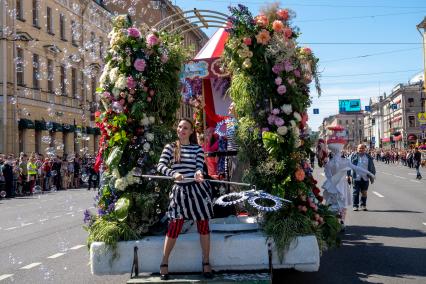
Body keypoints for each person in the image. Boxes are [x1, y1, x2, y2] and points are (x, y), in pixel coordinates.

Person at [157, 119, 214, 280]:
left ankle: (206, 261)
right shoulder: (171, 148)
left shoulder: (197, 148)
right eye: (180, 127)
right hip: (179, 191)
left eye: (185, 128)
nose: (181, 129)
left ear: (191, 132)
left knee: (203, 224)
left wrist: (198, 174)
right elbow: (160, 166)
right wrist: (173, 174)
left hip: (197, 190)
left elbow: (198, 167)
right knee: (174, 226)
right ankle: (164, 262)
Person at [348, 144, 376, 211]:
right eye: (360, 148)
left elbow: (372, 167)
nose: (361, 149)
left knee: (364, 192)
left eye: (362, 148)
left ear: (365, 149)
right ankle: (355, 205)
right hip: (356, 177)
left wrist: (372, 175)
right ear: (357, 149)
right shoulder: (352, 156)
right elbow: (348, 166)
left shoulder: (368, 157)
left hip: (365, 177)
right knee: (355, 192)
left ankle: (363, 205)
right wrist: (348, 175)